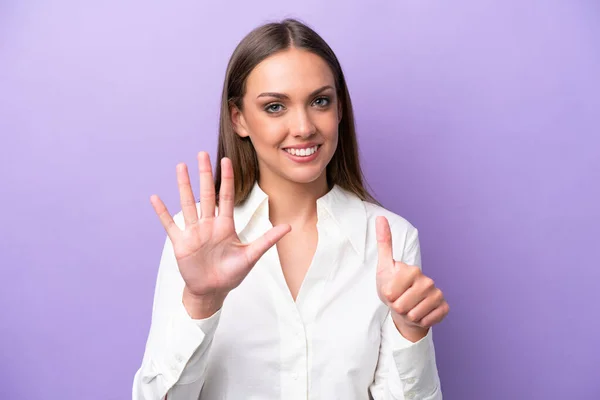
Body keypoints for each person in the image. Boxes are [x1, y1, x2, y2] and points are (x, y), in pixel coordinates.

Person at [132, 18, 449, 400]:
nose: (303, 127)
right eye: (275, 106)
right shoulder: (194, 236)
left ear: (340, 109)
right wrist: (201, 302)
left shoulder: (393, 238)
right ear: (239, 119)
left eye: (320, 101)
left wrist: (409, 331)